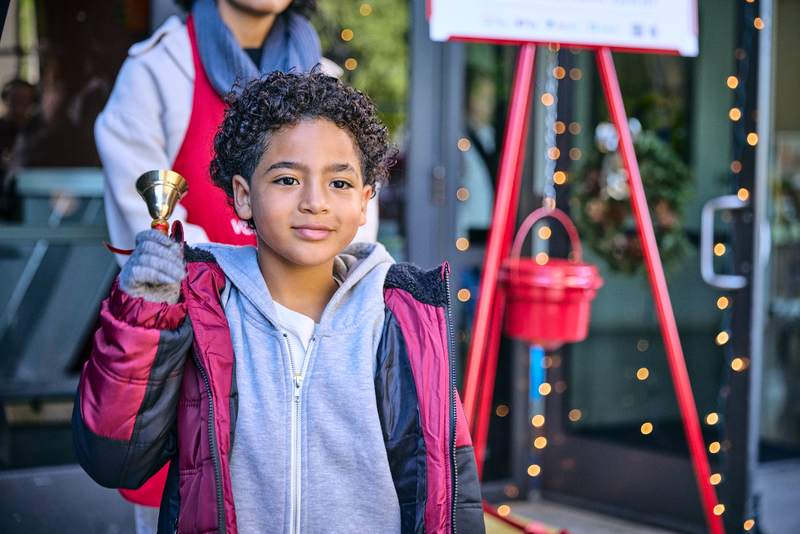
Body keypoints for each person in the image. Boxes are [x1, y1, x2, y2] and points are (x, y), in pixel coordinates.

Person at [72, 70, 484, 534]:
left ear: (366, 201)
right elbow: (113, 460)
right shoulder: (202, 310)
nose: (315, 202)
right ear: (243, 195)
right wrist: (142, 319)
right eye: (288, 179)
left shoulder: (403, 318)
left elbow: (452, 495)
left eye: (340, 184)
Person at [96, 0, 379, 265]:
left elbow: (354, 229)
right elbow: (153, 236)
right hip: (197, 308)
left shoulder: (326, 78)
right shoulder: (155, 72)